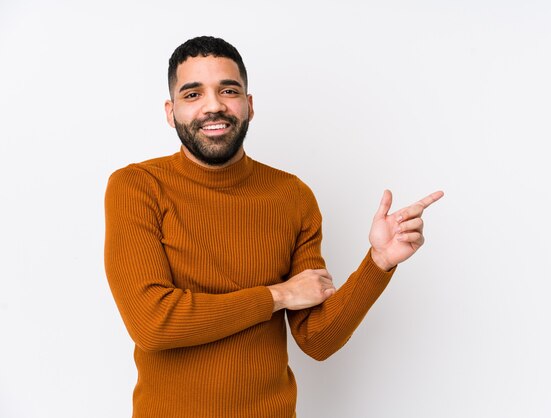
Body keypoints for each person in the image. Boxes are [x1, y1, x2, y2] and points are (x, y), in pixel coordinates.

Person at [104, 36, 443, 418]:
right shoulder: (137, 186)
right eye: (193, 94)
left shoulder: (291, 196)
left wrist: (378, 262)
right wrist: (276, 296)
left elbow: (317, 339)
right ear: (171, 112)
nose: (213, 105)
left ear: (248, 106)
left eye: (228, 90)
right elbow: (152, 323)